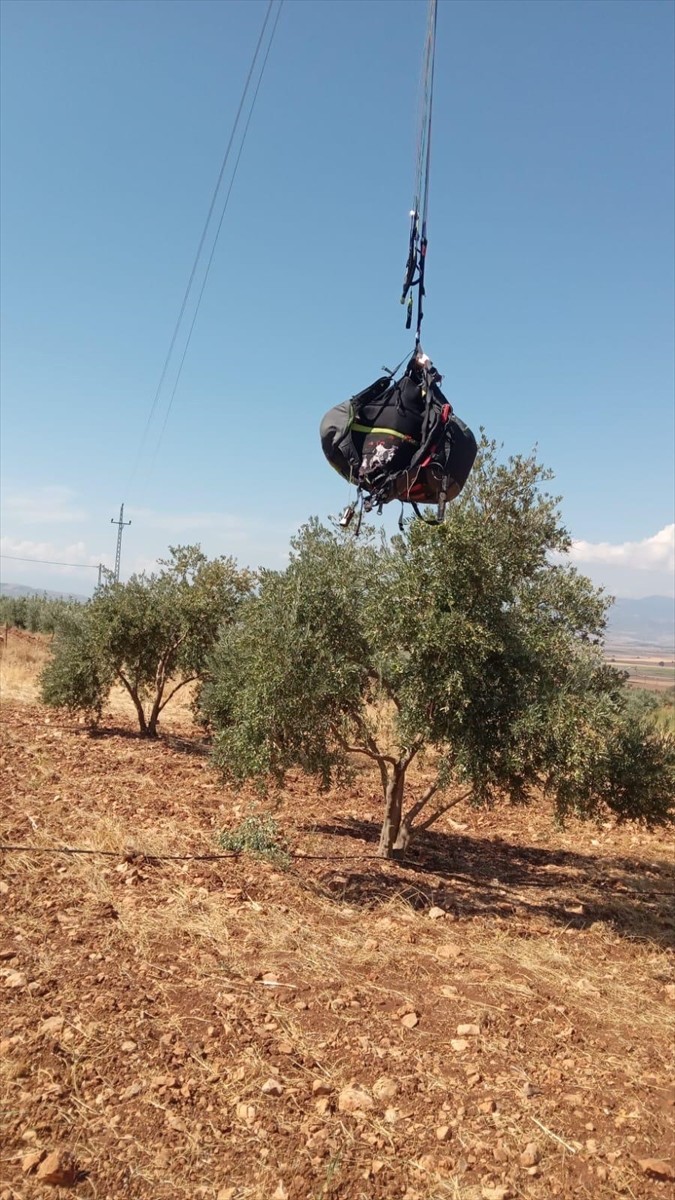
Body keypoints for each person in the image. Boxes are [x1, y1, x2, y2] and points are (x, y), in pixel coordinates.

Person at [320, 352, 477, 513]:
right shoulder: (386, 480)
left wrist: (362, 399)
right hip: (406, 468)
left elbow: (330, 426)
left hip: (388, 468)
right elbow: (445, 419)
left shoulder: (347, 454)